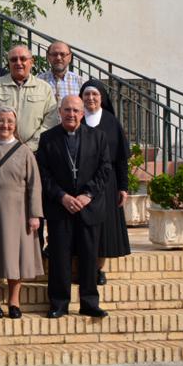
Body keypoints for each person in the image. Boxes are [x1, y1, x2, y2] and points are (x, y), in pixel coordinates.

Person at [37, 95, 111, 319]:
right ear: (60, 112)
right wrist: (62, 196)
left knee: (89, 257)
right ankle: (59, 302)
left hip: (88, 207)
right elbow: (44, 173)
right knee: (60, 256)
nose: (71, 114)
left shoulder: (98, 137)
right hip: (61, 207)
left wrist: (87, 195)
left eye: (75, 110)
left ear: (82, 113)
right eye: (67, 110)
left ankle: (89, 302)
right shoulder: (48, 138)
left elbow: (105, 168)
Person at [0, 107, 43, 320]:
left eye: (9, 121)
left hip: (19, 213)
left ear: (15, 125)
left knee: (16, 258)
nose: (5, 125)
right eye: (0, 121)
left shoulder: (24, 151)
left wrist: (35, 214)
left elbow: (35, 185)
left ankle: (14, 301)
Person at [80, 80, 131, 285]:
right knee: (81, 225)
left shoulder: (111, 121)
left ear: (102, 98)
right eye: (86, 95)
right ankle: (83, 266)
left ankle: (99, 269)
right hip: (80, 181)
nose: (90, 99)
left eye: (95, 95)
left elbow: (120, 158)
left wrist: (123, 187)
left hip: (107, 182)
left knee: (104, 226)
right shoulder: (76, 117)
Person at [0, 44, 59, 152]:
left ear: (31, 62)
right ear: (8, 63)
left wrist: (30, 147)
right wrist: (2, 142)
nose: (18, 63)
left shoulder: (44, 88)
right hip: (0, 151)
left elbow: (50, 121)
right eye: (13, 59)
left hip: (35, 152)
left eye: (23, 59)